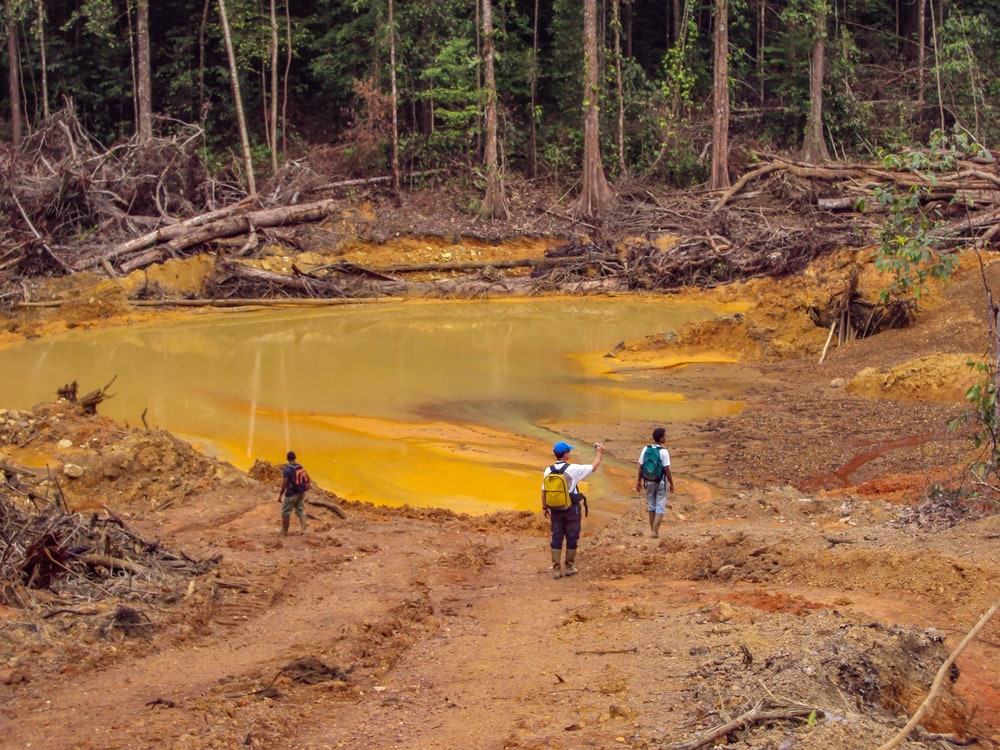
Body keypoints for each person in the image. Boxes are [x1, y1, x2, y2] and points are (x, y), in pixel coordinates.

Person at [542, 440, 604, 579]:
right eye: (568, 451)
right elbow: (594, 467)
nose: (569, 453)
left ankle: (556, 569)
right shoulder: (573, 469)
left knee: (556, 536)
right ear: (565, 454)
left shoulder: (548, 470)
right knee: (572, 536)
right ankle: (569, 567)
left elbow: (544, 491)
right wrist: (600, 452)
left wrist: (544, 507)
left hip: (555, 508)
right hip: (571, 508)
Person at [635, 427, 674, 538]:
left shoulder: (645, 449)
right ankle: (655, 532)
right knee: (660, 506)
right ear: (661, 438)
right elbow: (666, 469)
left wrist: (638, 481)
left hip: (648, 481)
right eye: (665, 436)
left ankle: (653, 530)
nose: (666, 438)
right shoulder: (663, 452)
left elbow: (641, 466)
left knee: (651, 506)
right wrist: (671, 483)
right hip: (661, 482)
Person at [277, 450, 309, 535]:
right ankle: (304, 530)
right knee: (300, 510)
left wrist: (280, 495)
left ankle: (284, 531)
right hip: (301, 493)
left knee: (285, 512)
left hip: (291, 494)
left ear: (287, 459)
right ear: (295, 458)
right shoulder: (300, 467)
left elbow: (284, 483)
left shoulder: (287, 470)